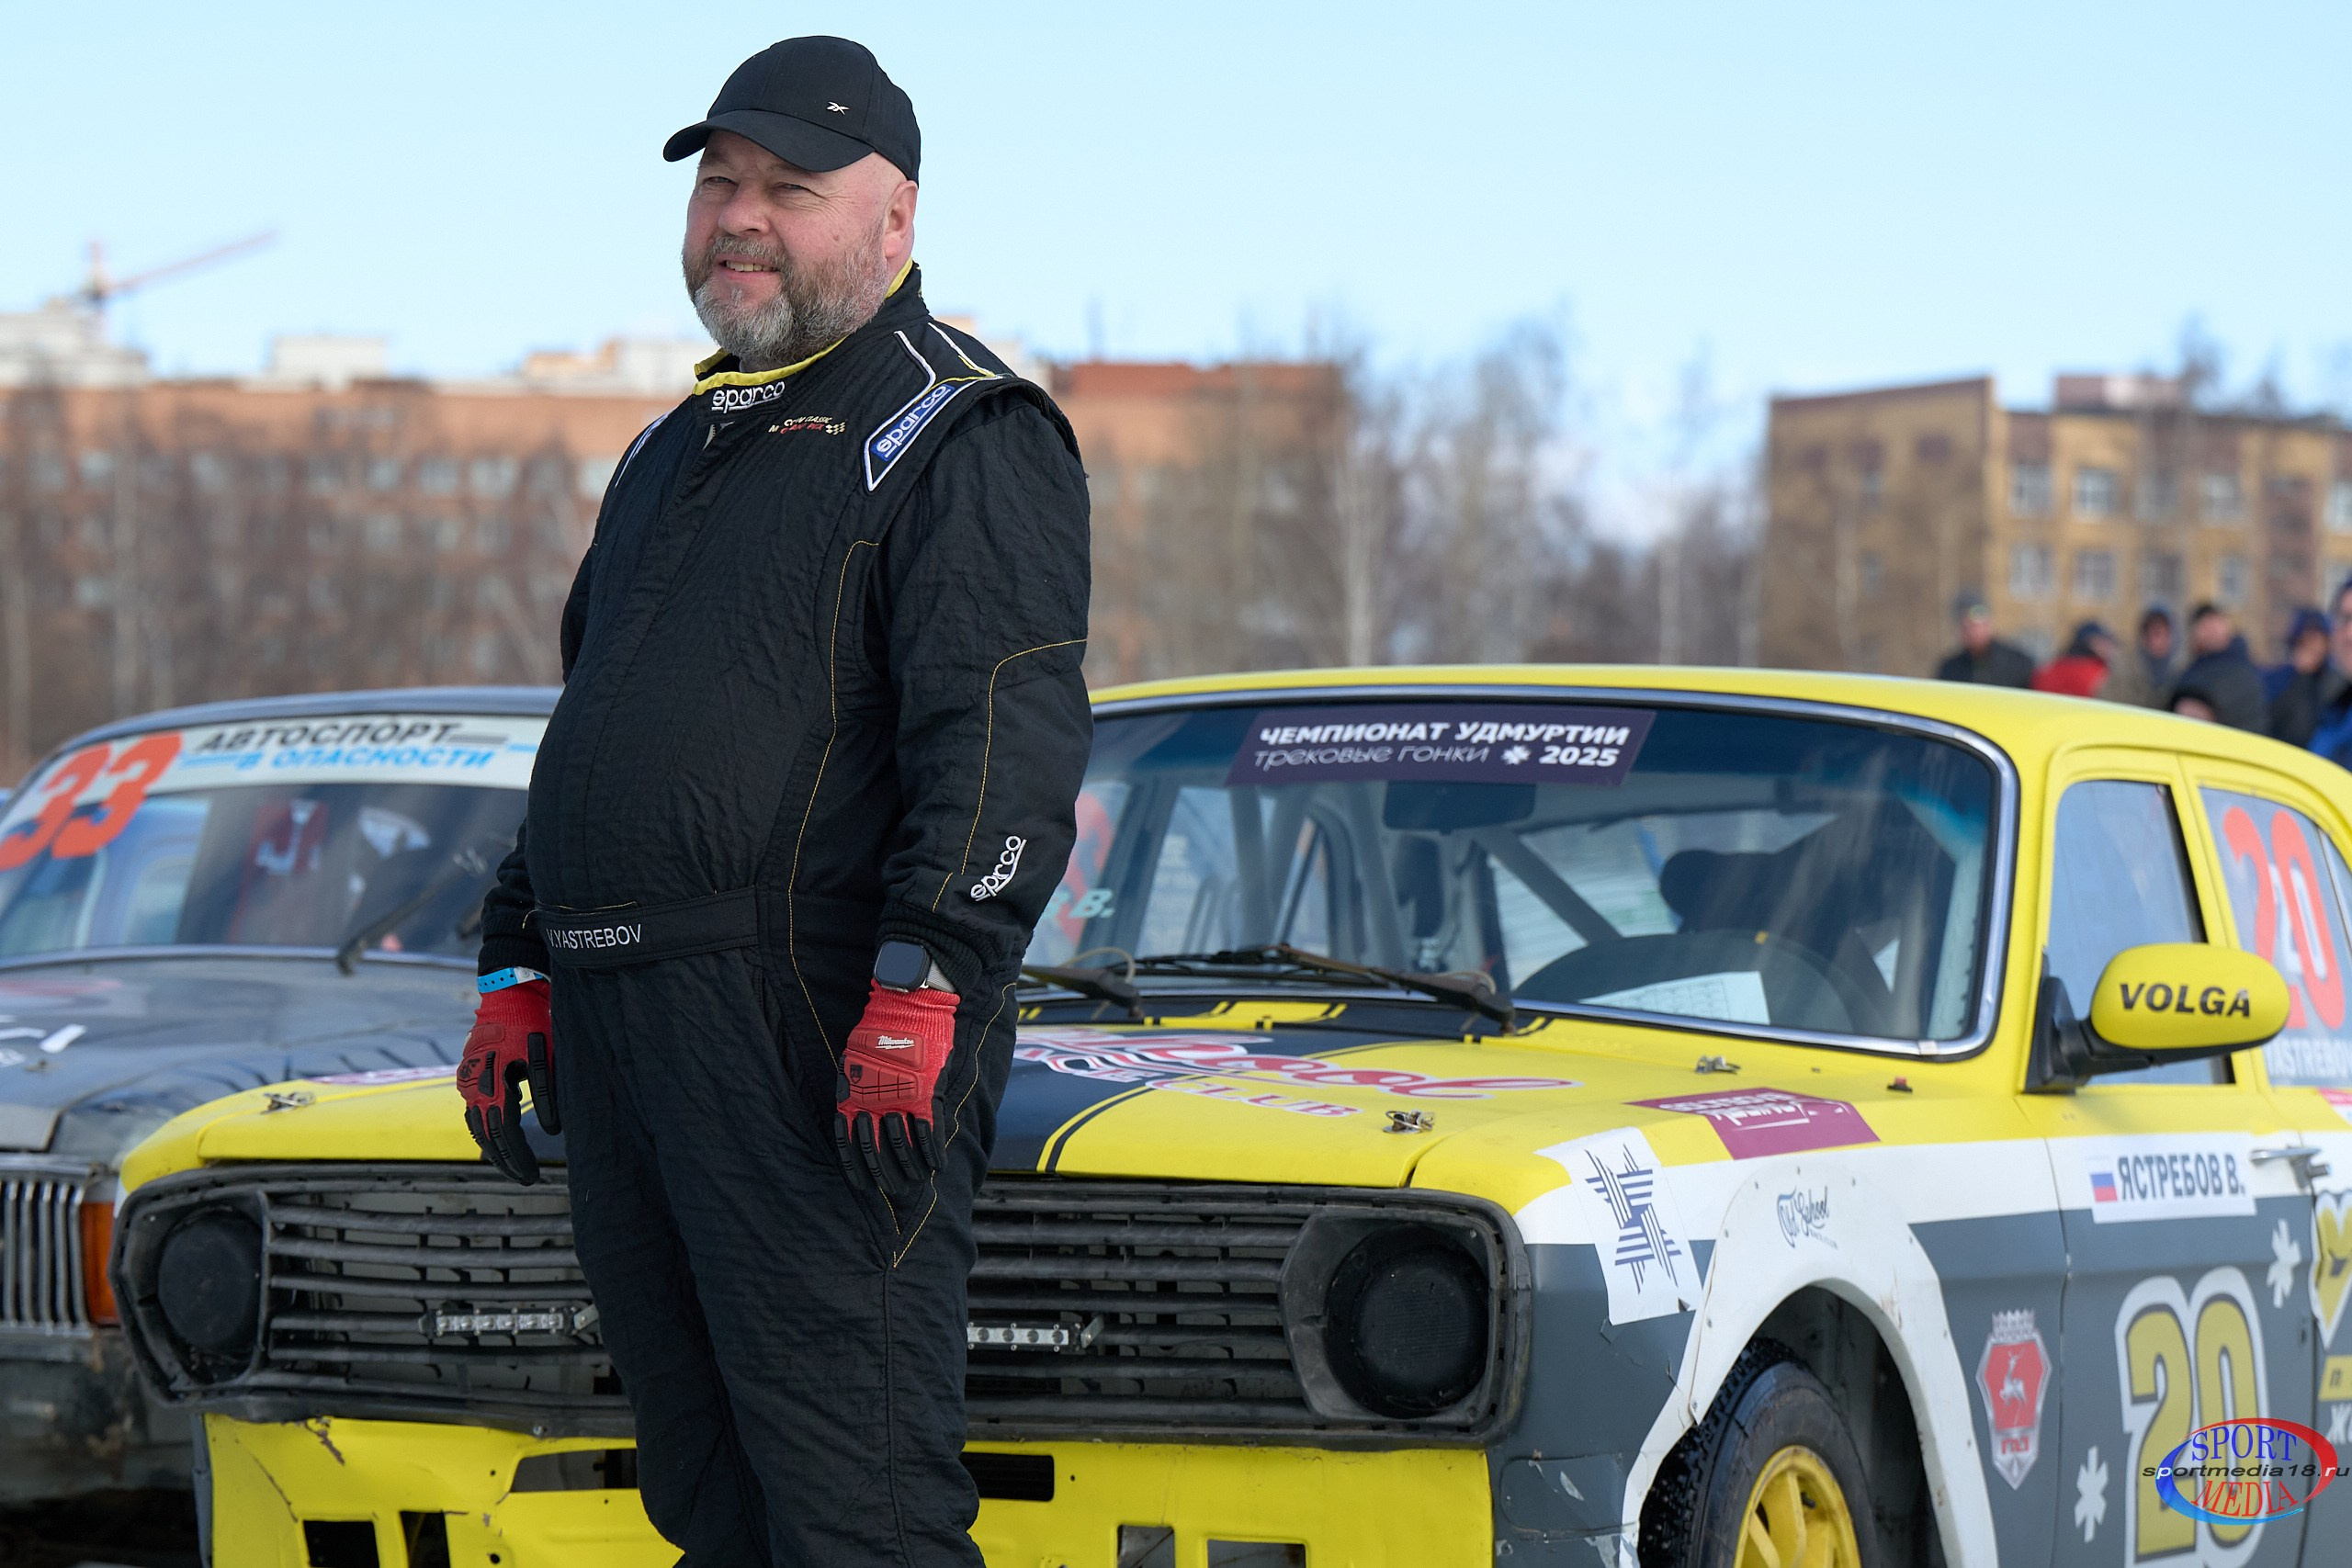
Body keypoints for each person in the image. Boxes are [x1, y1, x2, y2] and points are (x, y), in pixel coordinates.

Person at [456, 37, 1091, 1567]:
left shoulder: (954, 429)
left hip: (811, 1029)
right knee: (707, 1492)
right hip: (625, 1023)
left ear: (894, 220)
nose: (738, 216)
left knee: (851, 1501)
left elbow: (1000, 738)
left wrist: (929, 981)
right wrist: (515, 952)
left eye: (786, 189)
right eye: (719, 184)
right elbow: (593, 729)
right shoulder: (672, 452)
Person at [2167, 603, 2268, 732]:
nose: (2212, 630)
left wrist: (2203, 704)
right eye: (2205, 625)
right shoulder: (2193, 669)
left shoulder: (2241, 667)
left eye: (2215, 623)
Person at [2268, 602, 2343, 746]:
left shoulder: (2334, 683)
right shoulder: (2278, 679)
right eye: (2306, 640)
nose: (2312, 646)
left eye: (2318, 639)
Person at [1933, 593, 2035, 686]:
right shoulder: (1950, 669)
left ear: (1989, 621)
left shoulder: (2018, 664)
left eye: (1975, 625)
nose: (1972, 631)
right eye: (1965, 626)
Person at [2100, 604, 2176, 708]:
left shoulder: (2178, 676)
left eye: (2165, 634)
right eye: (2155, 634)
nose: (2160, 641)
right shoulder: (2123, 674)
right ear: (2143, 637)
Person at [2030, 619, 2116, 698]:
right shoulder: (2093, 671)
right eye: (2102, 642)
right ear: (2087, 642)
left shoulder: (2051, 666)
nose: (2109, 647)